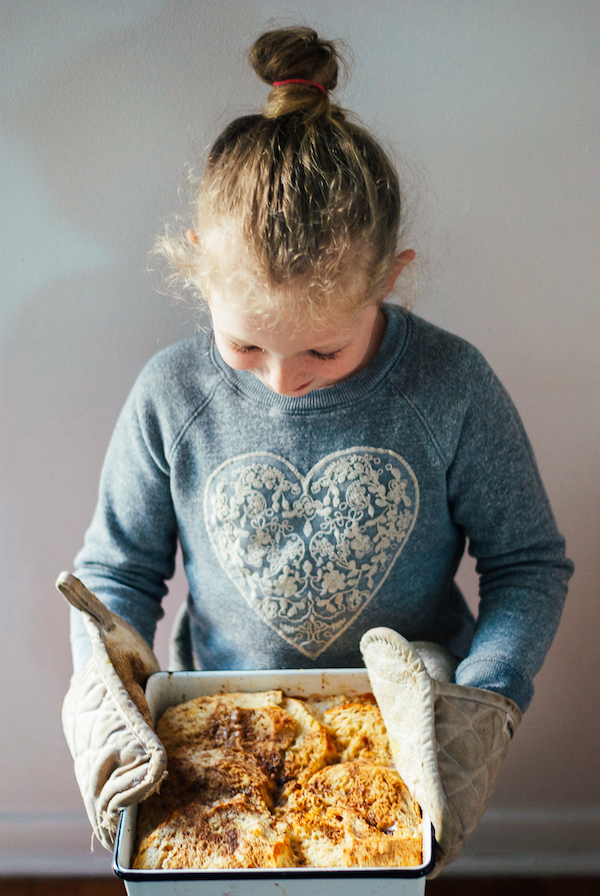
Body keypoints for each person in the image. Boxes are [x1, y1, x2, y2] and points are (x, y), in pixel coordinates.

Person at [62, 26, 573, 870]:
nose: (281, 383)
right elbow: (115, 575)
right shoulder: (171, 394)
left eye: (323, 352)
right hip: (216, 728)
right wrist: (109, 698)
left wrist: (485, 701)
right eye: (246, 349)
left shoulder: (452, 387)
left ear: (390, 279)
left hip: (407, 745)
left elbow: (527, 562)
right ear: (199, 268)